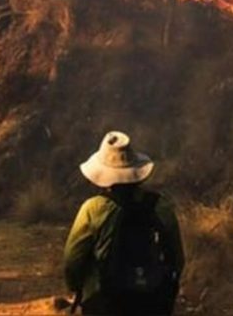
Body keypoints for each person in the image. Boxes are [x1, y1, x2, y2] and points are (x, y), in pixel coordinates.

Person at [63, 131, 184, 315]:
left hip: (104, 301)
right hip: (152, 298)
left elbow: (73, 260)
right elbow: (177, 258)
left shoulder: (93, 209)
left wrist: (77, 288)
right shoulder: (161, 206)